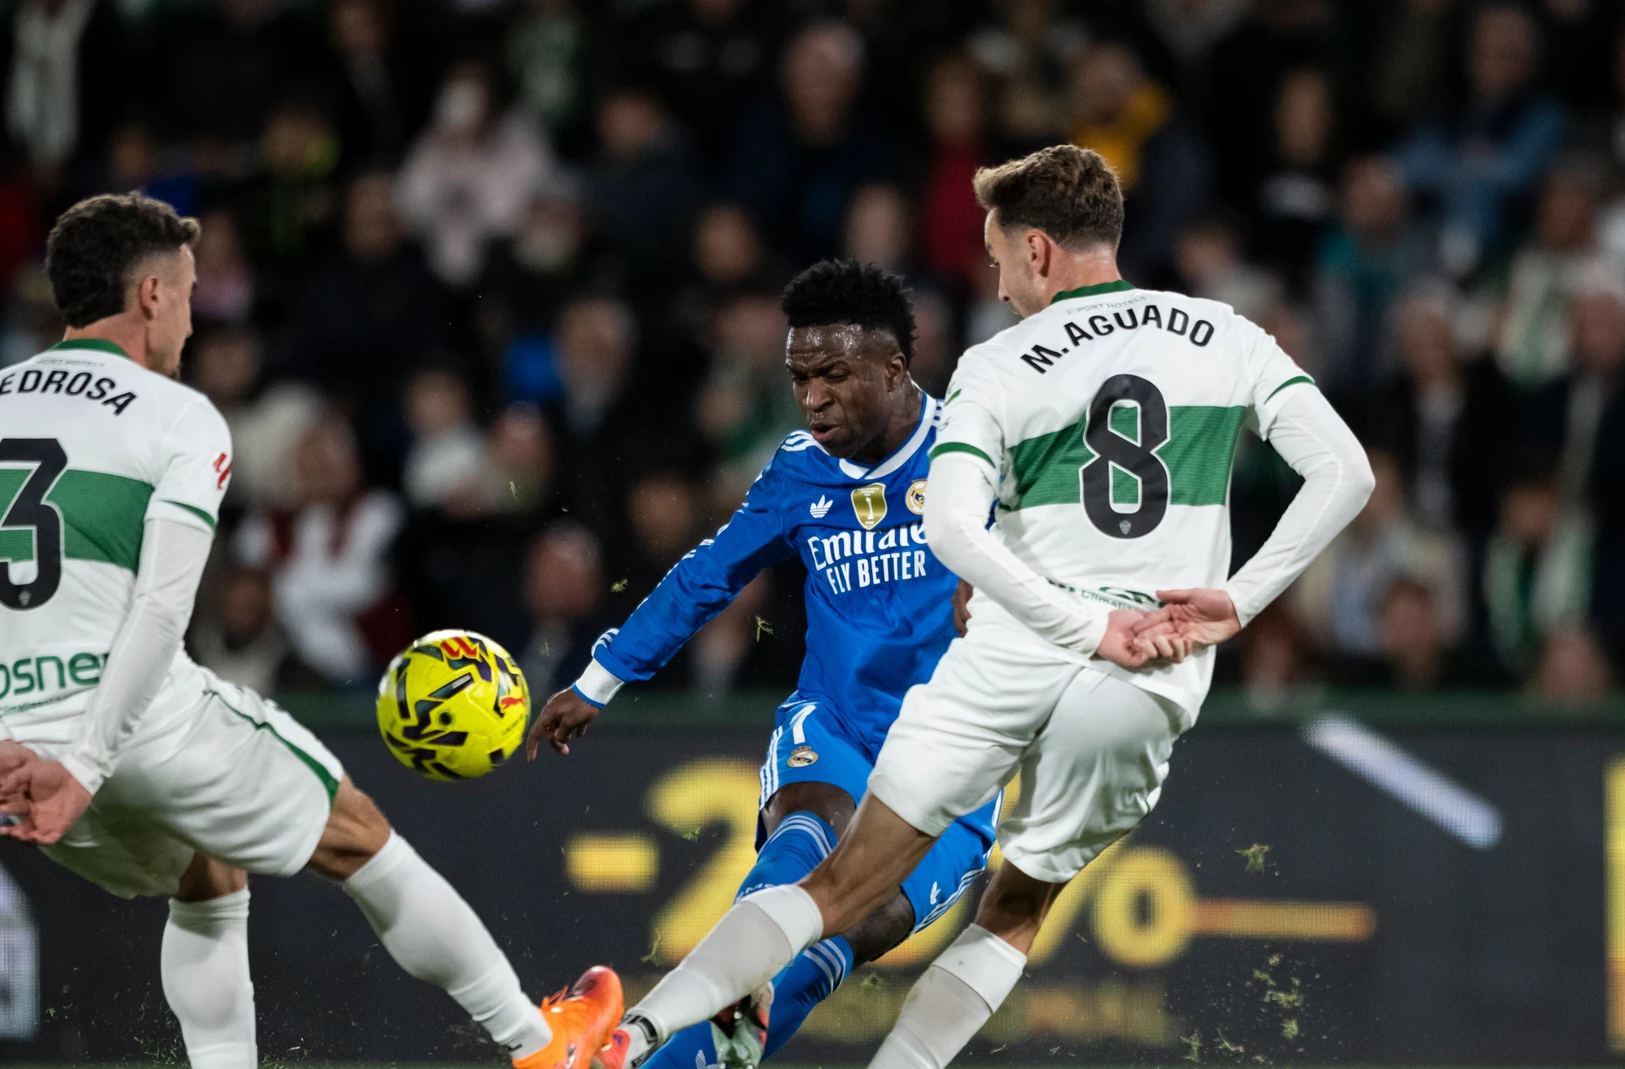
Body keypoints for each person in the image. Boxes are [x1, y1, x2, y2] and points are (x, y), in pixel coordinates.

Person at [589, 145, 1374, 1069]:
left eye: (999, 257)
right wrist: (1237, 602)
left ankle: (628, 1035)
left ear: (1039, 251)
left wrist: (1079, 623)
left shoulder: (997, 365)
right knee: (1014, 911)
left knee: (836, 883)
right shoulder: (1224, 332)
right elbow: (1346, 473)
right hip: (1151, 665)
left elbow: (956, 533)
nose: (997, 285)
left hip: (1017, 651)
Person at [0, 193, 620, 1069]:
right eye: (190, 295)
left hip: (19, 756)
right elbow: (163, 610)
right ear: (151, 293)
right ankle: (546, 1047)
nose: (193, 324)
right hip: (132, 728)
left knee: (206, 869)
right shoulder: (176, 414)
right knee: (358, 833)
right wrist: (85, 762)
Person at [528, 259, 1001, 1069]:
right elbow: (704, 578)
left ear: (894, 369)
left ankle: (652, 1048)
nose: (813, 397)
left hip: (958, 757)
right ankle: (631, 1047)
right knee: (806, 840)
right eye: (799, 376)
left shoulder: (974, 453)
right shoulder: (798, 470)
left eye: (834, 375)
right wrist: (602, 678)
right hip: (838, 725)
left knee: (850, 935)